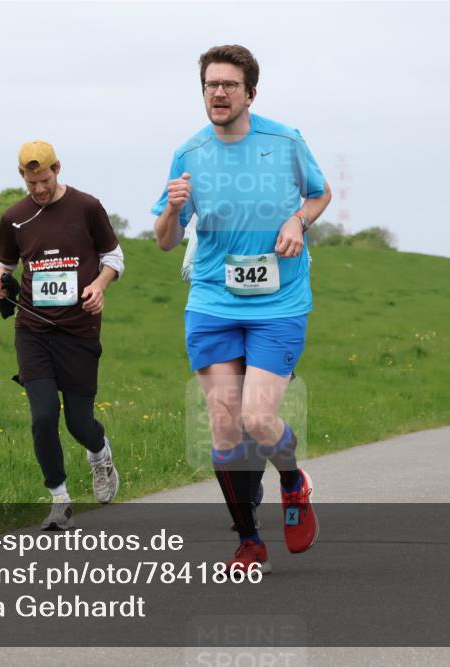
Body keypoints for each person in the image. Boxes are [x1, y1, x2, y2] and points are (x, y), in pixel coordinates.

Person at [152, 45, 332, 571]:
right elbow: (164, 240)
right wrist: (175, 210)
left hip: (279, 301)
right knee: (225, 424)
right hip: (212, 299)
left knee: (257, 416)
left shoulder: (285, 140)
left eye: (230, 85)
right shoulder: (188, 154)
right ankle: (249, 538)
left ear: (250, 93)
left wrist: (298, 221)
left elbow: (319, 195)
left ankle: (293, 481)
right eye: (211, 85)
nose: (219, 93)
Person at [0, 140, 123, 529]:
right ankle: (60, 499)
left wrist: (99, 286)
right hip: (31, 328)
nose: (40, 190)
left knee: (79, 423)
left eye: (45, 180)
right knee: (43, 415)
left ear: (58, 169)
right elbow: (2, 264)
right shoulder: (14, 217)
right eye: (32, 183)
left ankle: (100, 457)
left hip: (79, 329)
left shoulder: (86, 207)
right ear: (22, 177)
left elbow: (114, 258)